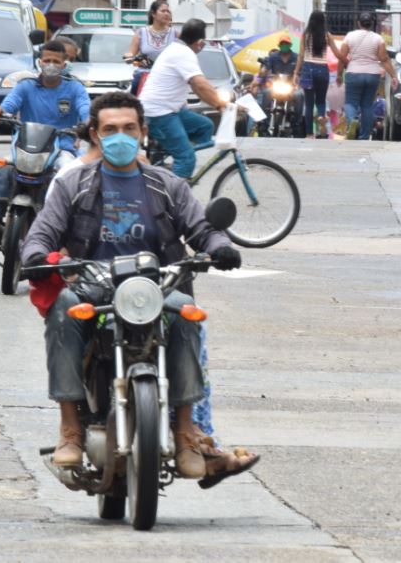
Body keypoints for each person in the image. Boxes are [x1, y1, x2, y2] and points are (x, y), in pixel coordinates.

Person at [22, 90, 258, 484]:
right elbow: (41, 233)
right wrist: (38, 255)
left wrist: (219, 247)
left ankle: (185, 432)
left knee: (186, 313)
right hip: (93, 287)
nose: (120, 136)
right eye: (110, 129)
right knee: (63, 307)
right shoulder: (73, 184)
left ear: (143, 132)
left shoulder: (167, 185)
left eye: (129, 128)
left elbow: (201, 228)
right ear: (95, 135)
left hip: (157, 285)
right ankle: (70, 430)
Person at [0, 40, 90, 253]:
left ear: (64, 63)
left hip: (61, 148)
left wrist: (88, 122)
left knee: (69, 175)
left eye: (56, 61)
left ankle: (66, 230)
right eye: (47, 60)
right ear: (40, 62)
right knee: (4, 170)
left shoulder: (75, 87)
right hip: (26, 147)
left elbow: (85, 108)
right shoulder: (26, 86)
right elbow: (9, 105)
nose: (51, 64)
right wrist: (1, 113)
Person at [139, 18, 229, 179]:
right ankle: (173, 198)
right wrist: (223, 105)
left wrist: (219, 103)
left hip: (172, 109)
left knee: (205, 127)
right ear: (200, 42)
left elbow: (198, 87)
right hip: (159, 112)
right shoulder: (183, 53)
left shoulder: (177, 48)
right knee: (187, 158)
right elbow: (200, 84)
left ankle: (165, 162)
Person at [339, 11, 397, 140]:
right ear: (372, 24)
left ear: (359, 22)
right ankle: (364, 136)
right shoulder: (378, 38)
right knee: (367, 105)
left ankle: (353, 121)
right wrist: (394, 76)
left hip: (354, 73)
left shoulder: (350, 36)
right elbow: (384, 59)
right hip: (372, 75)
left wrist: (338, 74)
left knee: (350, 103)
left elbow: (342, 57)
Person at [294, 11, 343, 138]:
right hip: (322, 69)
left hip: (307, 69)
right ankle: (321, 119)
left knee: (309, 104)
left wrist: (296, 72)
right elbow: (337, 54)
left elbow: (300, 55)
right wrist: (348, 61)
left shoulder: (305, 35)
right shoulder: (327, 36)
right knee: (321, 101)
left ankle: (310, 134)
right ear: (323, 21)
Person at [256, 32, 303, 135]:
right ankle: (264, 122)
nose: (284, 45)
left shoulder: (297, 57)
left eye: (286, 43)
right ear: (279, 45)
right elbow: (266, 68)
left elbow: (301, 71)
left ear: (290, 45)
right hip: (276, 86)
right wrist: (263, 71)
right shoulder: (273, 57)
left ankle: (297, 123)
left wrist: (299, 78)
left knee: (299, 95)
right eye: (282, 44)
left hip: (291, 87)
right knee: (266, 93)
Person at [126, 0, 177, 93]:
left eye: (168, 11)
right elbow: (129, 59)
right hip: (144, 77)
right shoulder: (140, 33)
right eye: (163, 11)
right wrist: (138, 61)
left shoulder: (176, 34)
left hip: (167, 77)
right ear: (153, 14)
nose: (166, 14)